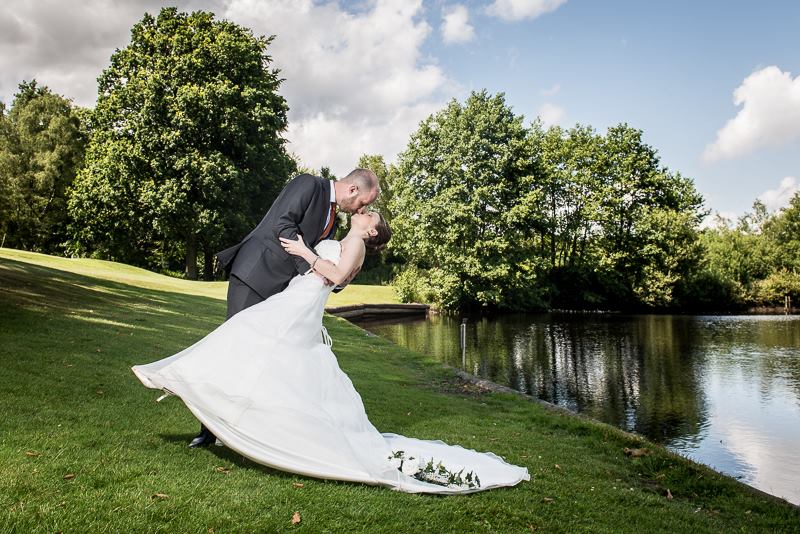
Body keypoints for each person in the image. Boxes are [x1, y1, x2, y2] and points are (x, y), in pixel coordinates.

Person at [132, 213, 529, 494]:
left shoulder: (354, 244)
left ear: (371, 231)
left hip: (303, 304)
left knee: (245, 333)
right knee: (258, 346)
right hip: (298, 298)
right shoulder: (347, 240)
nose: (366, 213)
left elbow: (337, 278)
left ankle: (177, 378)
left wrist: (305, 252)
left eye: (371, 216)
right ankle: (202, 394)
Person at [186, 169, 380, 447]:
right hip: (255, 275)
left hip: (283, 293)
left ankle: (243, 428)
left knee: (265, 360)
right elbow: (283, 225)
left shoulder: (332, 220)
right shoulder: (308, 184)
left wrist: (336, 278)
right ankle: (209, 431)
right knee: (233, 349)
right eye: (363, 203)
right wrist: (311, 266)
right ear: (352, 190)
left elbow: (328, 267)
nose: (361, 209)